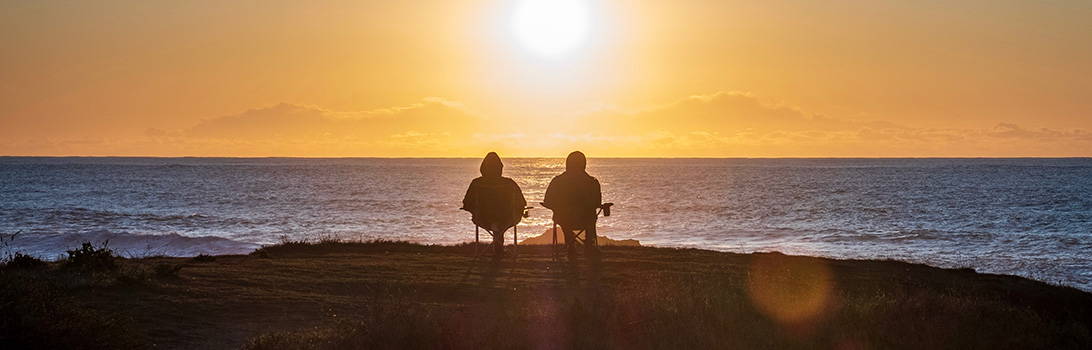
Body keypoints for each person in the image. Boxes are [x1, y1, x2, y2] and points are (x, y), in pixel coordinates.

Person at [463, 152, 527, 259]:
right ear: (500, 167)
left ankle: (497, 245)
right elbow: (522, 202)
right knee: (500, 225)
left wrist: (474, 211)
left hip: (483, 218)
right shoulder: (509, 183)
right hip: (507, 218)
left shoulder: (476, 183)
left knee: (496, 225)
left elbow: (467, 203)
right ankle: (499, 248)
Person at [543, 151, 602, 257]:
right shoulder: (592, 182)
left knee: (563, 218)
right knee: (591, 217)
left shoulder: (557, 182)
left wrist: (555, 207)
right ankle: (589, 243)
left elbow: (548, 201)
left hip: (565, 220)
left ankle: (570, 244)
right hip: (586, 220)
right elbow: (597, 203)